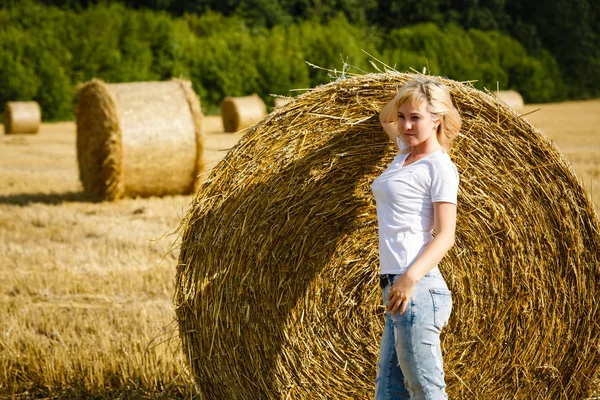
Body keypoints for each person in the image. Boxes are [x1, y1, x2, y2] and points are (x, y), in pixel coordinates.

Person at [371, 76, 462, 400]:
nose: (406, 125)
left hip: (418, 289)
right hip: (395, 287)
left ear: (437, 119)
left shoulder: (440, 167)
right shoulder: (403, 155)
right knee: (389, 391)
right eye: (404, 116)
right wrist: (410, 90)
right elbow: (385, 117)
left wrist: (409, 279)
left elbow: (446, 234)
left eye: (416, 117)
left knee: (426, 391)